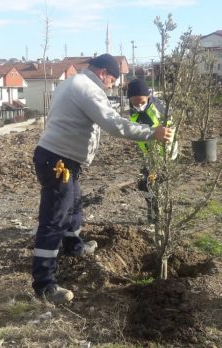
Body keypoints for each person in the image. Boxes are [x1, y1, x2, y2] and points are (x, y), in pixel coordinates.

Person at [32, 54, 173, 304]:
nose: (111, 87)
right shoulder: (88, 89)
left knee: (73, 204)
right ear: (103, 73)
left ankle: (74, 247)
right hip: (58, 161)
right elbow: (114, 124)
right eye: (111, 82)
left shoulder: (72, 82)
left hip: (60, 159)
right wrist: (153, 133)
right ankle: (44, 285)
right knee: (54, 220)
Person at [126, 78, 174, 225]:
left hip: (163, 156)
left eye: (141, 102)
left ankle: (158, 218)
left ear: (148, 96)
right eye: (135, 102)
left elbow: (171, 132)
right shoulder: (133, 111)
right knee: (145, 185)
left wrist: (166, 156)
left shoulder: (159, 109)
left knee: (150, 184)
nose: (139, 105)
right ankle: (154, 214)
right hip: (149, 155)